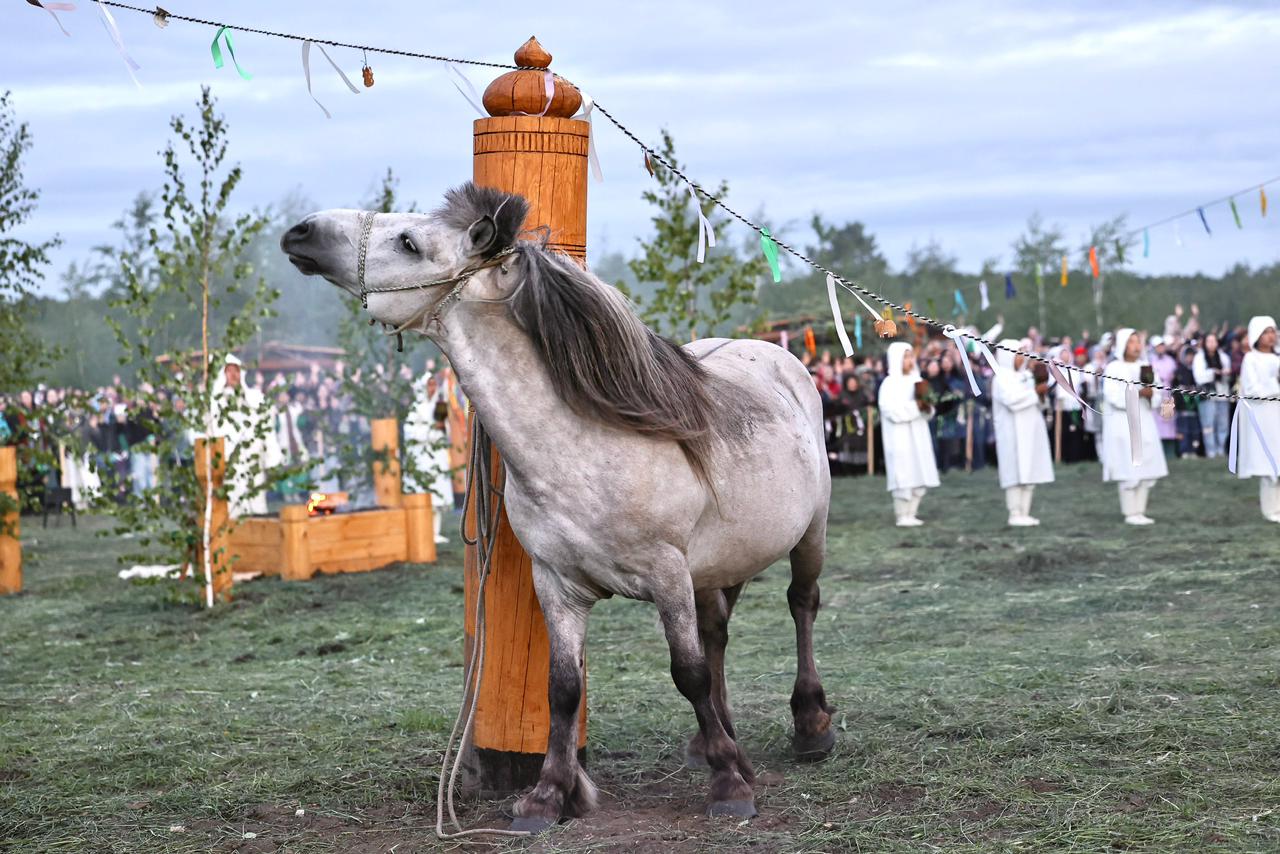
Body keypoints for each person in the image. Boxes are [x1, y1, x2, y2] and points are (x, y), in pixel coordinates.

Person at [1101, 329, 1168, 525]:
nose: (1136, 346)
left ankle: (1140, 511)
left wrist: (1151, 395)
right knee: (1128, 467)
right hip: (1123, 423)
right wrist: (1138, 393)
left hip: (1145, 420)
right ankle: (1130, 512)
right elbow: (1112, 396)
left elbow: (1157, 394)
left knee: (1146, 465)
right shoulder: (1114, 367)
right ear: (1123, 345)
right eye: (1131, 342)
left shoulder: (1146, 367)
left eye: (1138, 342)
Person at [992, 340, 1055, 525]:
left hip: (1032, 429)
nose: (1022, 358)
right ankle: (1015, 513)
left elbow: (1041, 403)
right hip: (1012, 432)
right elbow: (1012, 401)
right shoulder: (1001, 377)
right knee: (1015, 472)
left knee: (1030, 472)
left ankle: (1025, 512)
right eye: (1018, 354)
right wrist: (1035, 393)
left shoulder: (1027, 376)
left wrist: (1042, 394)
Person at [877, 342, 939, 526]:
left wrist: (928, 407)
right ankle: (902, 515)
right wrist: (915, 407)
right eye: (905, 357)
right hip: (900, 437)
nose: (909, 360)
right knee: (903, 473)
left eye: (911, 356)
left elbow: (928, 411)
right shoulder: (889, 384)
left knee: (919, 471)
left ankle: (912, 513)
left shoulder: (917, 380)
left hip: (918, 434)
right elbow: (890, 410)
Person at [210, 354, 279, 517]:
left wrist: (272, 456)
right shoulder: (215, 402)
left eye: (237, 371)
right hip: (229, 463)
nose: (234, 375)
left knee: (257, 504)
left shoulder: (255, 398)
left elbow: (267, 428)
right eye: (229, 371)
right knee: (233, 506)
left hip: (253, 461)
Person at [1236, 316, 1280, 522]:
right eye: (1266, 332)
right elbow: (1252, 390)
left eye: (1273, 331)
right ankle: (1270, 510)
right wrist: (1276, 386)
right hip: (1263, 417)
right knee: (1269, 465)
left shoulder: (1278, 357)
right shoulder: (1250, 359)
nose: (1271, 336)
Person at [404, 371, 454, 543]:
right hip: (421, 456)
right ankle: (422, 531)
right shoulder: (416, 407)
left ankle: (435, 531)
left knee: (438, 491)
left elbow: (444, 430)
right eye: (429, 385)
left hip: (437, 456)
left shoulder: (439, 406)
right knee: (422, 491)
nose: (432, 388)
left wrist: (441, 429)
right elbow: (409, 431)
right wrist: (429, 432)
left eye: (434, 384)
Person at [1192, 333, 1232, 458]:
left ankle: (1221, 449)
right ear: (1204, 343)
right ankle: (1211, 451)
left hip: (1222, 394)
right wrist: (1213, 372)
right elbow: (1199, 377)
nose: (1211, 344)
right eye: (1208, 341)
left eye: (1213, 341)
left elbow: (1229, 375)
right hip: (1207, 395)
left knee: (1223, 424)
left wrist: (1225, 373)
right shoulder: (1199, 357)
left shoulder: (1224, 357)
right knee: (1208, 424)